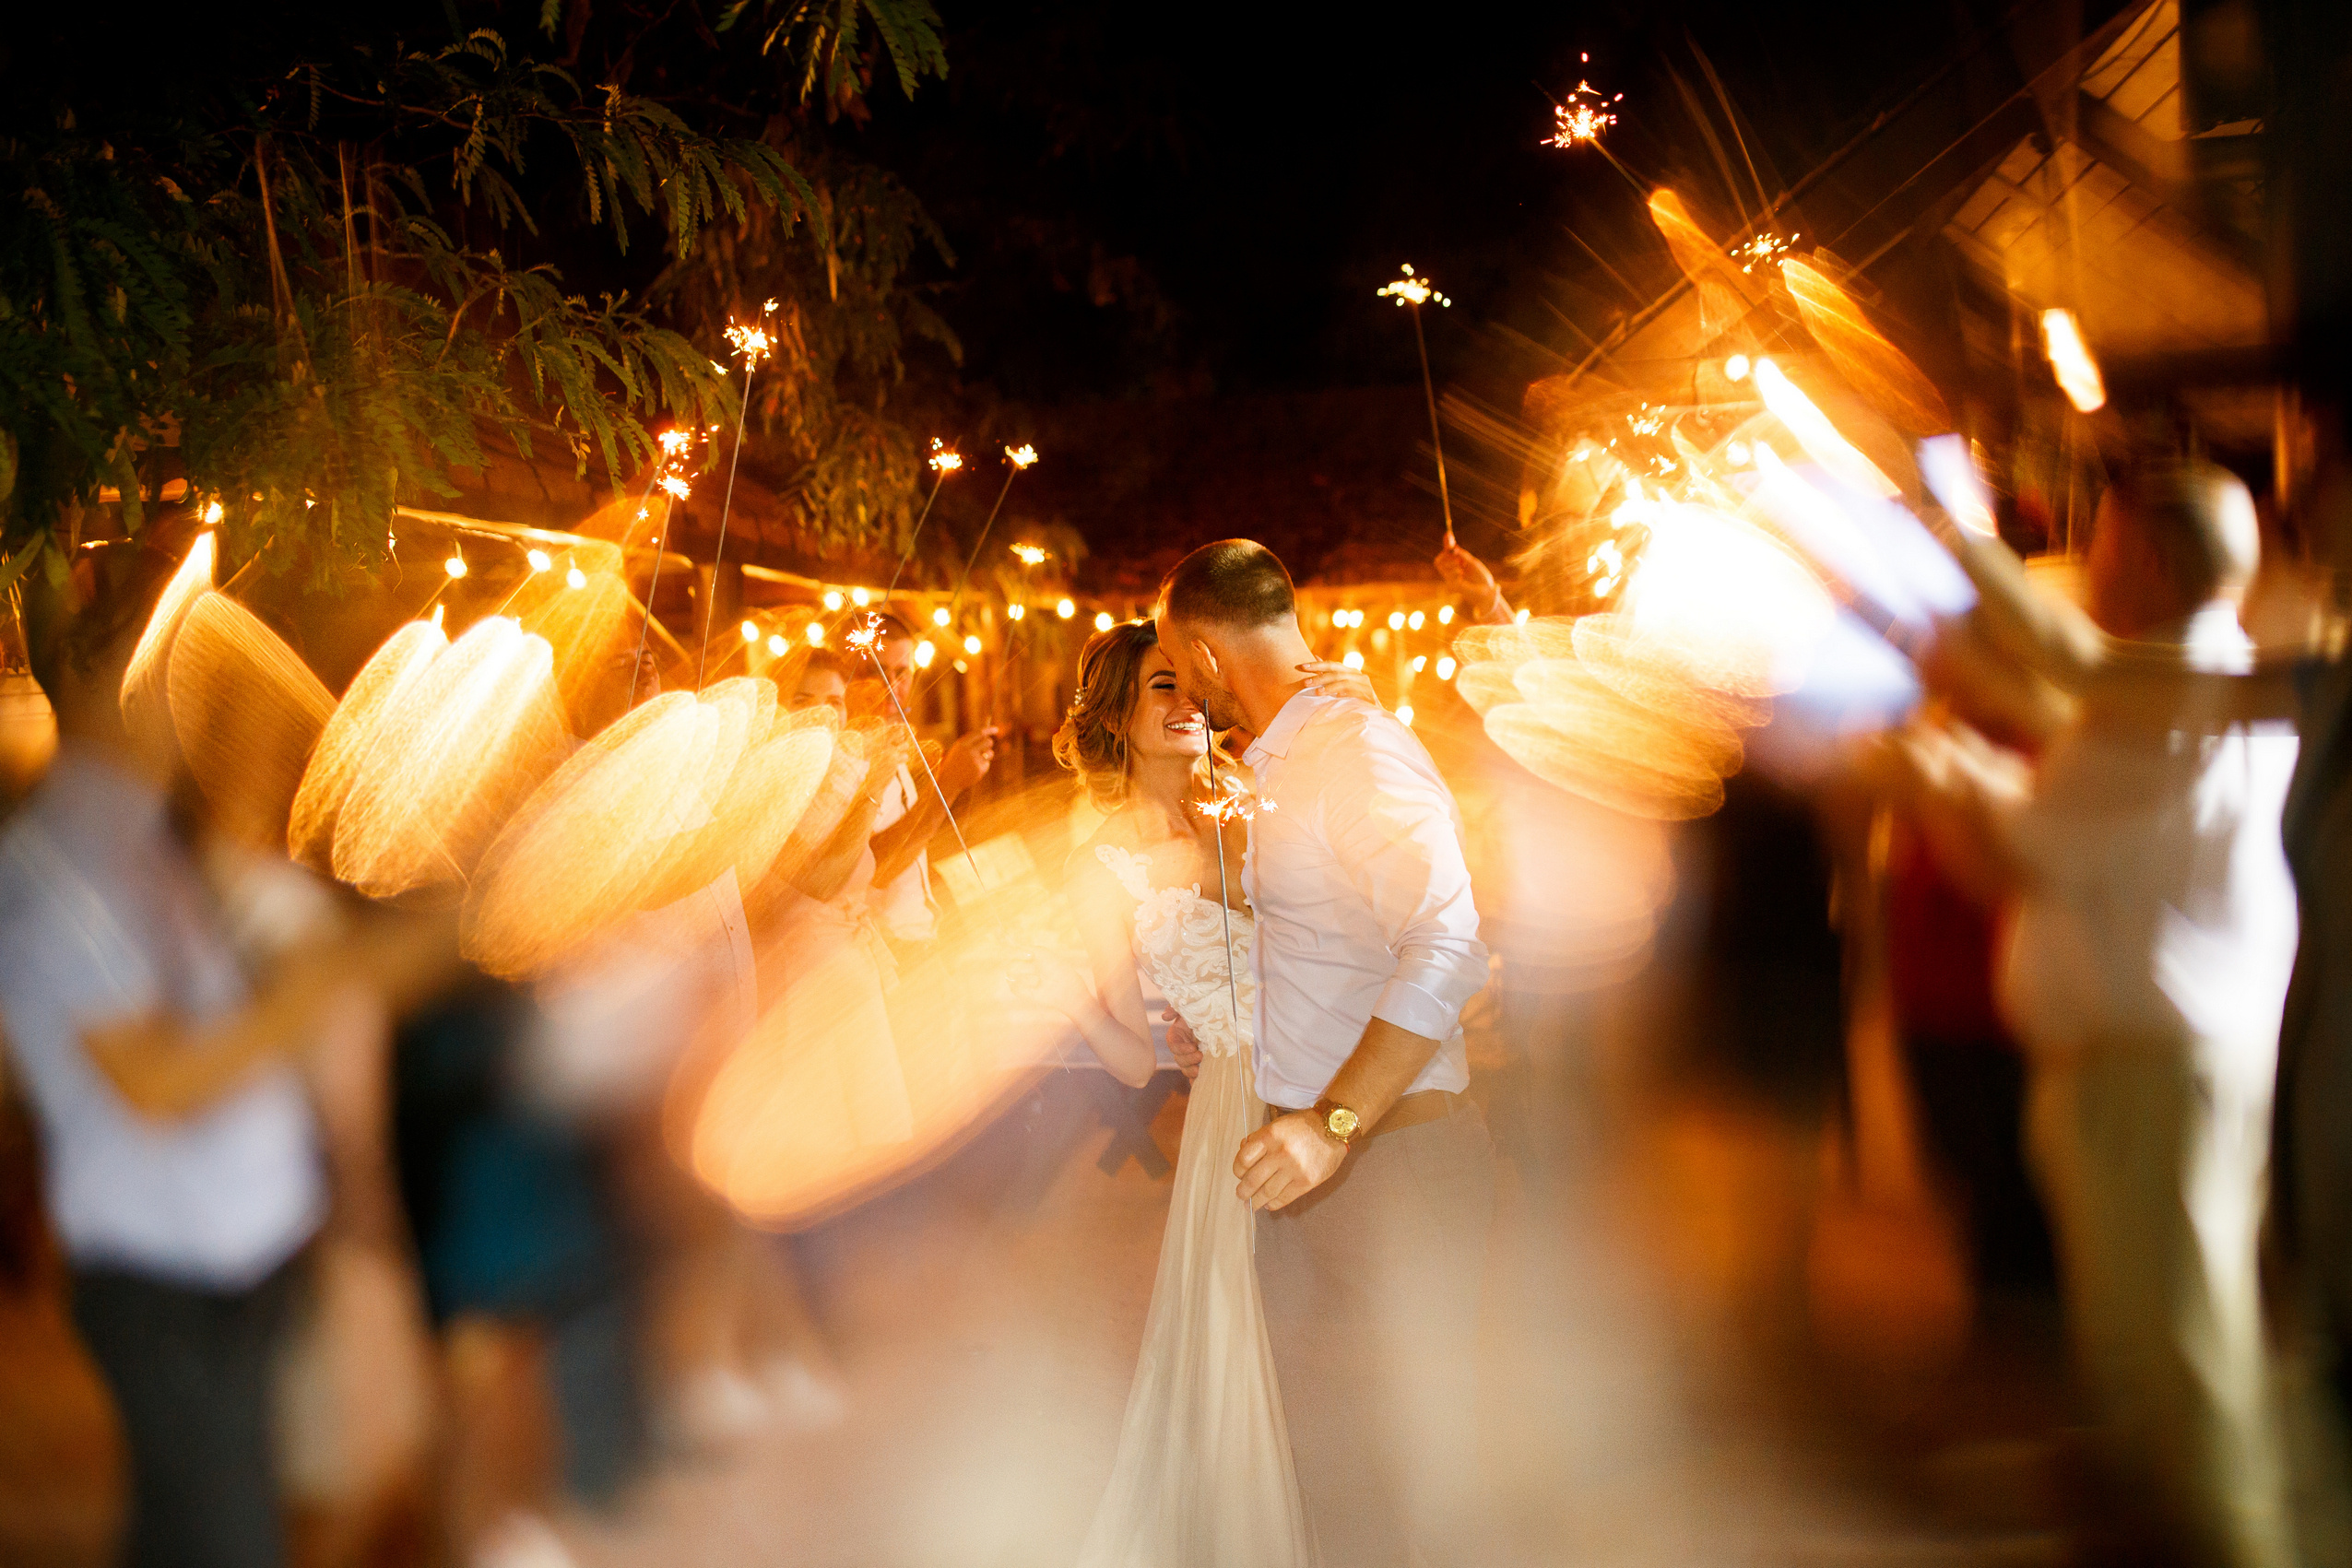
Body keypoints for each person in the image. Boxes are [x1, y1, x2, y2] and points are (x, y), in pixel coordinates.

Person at [1879, 459, 2300, 1568]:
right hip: (2145, 1055)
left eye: (2103, 547)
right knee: (2137, 1314)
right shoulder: (2178, 686)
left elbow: (2025, 850)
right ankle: (2136, 1491)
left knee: (2181, 1325)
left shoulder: (2167, 695)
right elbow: (2063, 801)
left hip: (2151, 1059)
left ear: (2150, 559)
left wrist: (1940, 775)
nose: (2089, 574)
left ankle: (2228, 1532)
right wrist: (1968, 761)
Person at [0, 536, 441, 1568]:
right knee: (227, 1537)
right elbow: (151, 1081)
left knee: (189, 1525)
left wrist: (414, 950)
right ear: (112, 683)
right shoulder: (62, 862)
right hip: (167, 1285)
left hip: (234, 1267)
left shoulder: (142, 842)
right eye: (172, 676)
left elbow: (230, 1035)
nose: (190, 703)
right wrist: (320, 988)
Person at [1153, 540, 1493, 1568]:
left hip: (1391, 1160)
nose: (1181, 690)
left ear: (1209, 658)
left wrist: (1331, 1125)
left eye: (1176, 665)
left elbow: (1445, 945)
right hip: (1314, 1155)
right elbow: (1325, 935)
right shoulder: (1288, 759)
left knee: (1398, 1466)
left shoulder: (1357, 751)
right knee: (1326, 1454)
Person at [1021, 621, 1380, 1567]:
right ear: (1115, 718)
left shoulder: (1253, 806)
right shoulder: (1102, 860)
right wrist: (1061, 996)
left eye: (1192, 684)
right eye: (1158, 689)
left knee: (1343, 1322)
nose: (1186, 705)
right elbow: (1138, 1062)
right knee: (1259, 1343)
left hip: (1335, 1083)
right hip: (1234, 1105)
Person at [853, 614, 997, 953]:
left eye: (901, 673)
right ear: (848, 677)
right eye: (876, 672)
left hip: (920, 943)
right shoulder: (841, 761)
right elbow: (870, 868)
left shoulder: (894, 746)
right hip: (881, 951)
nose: (890, 686)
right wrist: (946, 786)